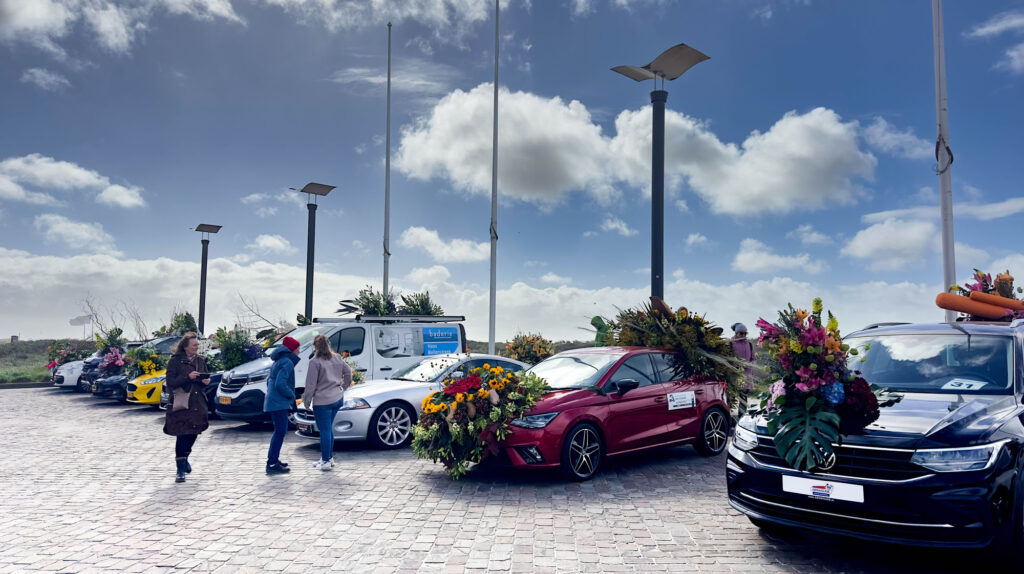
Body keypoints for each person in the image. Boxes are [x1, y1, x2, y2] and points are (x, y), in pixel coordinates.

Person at [163, 332, 212, 483]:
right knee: (182, 433)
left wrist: (205, 381)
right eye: (194, 345)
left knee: (194, 432)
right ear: (185, 347)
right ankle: (180, 469)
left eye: (197, 345)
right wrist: (187, 377)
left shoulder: (200, 360)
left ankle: (185, 458)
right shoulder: (175, 361)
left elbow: (205, 377)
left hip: (197, 403)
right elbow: (170, 382)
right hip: (182, 402)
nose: (197, 347)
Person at [303, 334, 353, 471]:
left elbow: (311, 384)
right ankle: (328, 458)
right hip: (337, 398)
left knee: (324, 430)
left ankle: (325, 460)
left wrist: (306, 401)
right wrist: (344, 386)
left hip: (322, 401)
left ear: (315, 346)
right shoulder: (337, 357)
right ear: (328, 344)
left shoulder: (315, 362)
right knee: (328, 429)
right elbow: (348, 372)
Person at [265, 336, 300, 475]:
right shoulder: (287, 362)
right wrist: (291, 395)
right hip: (279, 402)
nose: (299, 351)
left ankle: (273, 460)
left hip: (274, 400)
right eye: (297, 348)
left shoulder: (279, 360)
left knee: (279, 432)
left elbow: (269, 381)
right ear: (292, 349)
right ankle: (272, 463)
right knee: (280, 432)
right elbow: (280, 383)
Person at [731, 323, 757, 414]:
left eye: (745, 333)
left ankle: (741, 418)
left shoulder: (749, 344)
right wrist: (736, 365)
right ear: (736, 333)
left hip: (746, 376)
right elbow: (727, 358)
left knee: (743, 399)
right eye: (741, 333)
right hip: (734, 375)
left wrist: (750, 364)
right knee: (731, 399)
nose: (743, 335)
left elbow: (753, 359)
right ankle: (730, 419)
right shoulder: (730, 343)